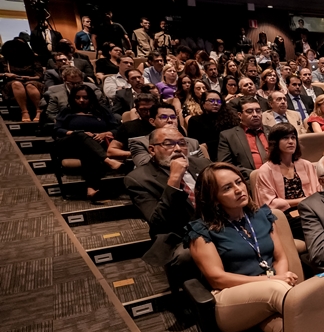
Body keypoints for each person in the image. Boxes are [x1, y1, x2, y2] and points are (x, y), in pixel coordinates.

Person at [187, 163, 299, 332]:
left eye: (239, 182)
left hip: (274, 295)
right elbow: (217, 279)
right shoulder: (202, 229)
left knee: (291, 329)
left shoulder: (262, 215)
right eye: (227, 188)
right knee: (277, 291)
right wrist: (272, 280)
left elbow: (279, 257)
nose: (238, 189)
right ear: (213, 198)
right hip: (231, 300)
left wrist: (282, 279)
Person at [126, 126, 211, 264]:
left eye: (182, 143)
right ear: (152, 150)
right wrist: (174, 179)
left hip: (215, 223)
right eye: (168, 144)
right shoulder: (139, 179)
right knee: (185, 256)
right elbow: (158, 222)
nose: (178, 149)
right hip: (180, 233)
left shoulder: (203, 164)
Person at [52, 85, 123, 200]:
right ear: (73, 98)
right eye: (78, 97)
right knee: (81, 135)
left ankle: (91, 189)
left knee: (89, 151)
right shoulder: (67, 111)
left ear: (91, 98)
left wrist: (104, 134)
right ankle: (107, 160)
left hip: (94, 145)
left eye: (85, 97)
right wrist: (75, 133)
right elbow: (57, 130)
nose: (81, 100)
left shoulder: (102, 110)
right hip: (69, 144)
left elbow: (116, 129)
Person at [255, 123, 321, 217]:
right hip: (283, 215)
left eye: (293, 137)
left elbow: (317, 193)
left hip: (311, 210)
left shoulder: (306, 165)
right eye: (285, 138)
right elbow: (269, 203)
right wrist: (303, 200)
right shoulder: (265, 170)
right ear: (275, 142)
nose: (291, 141)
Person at [218, 97, 268, 179]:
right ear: (240, 115)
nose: (255, 114)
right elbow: (226, 165)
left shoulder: (272, 131)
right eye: (249, 111)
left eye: (258, 111)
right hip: (248, 180)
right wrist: (255, 174)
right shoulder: (228, 136)